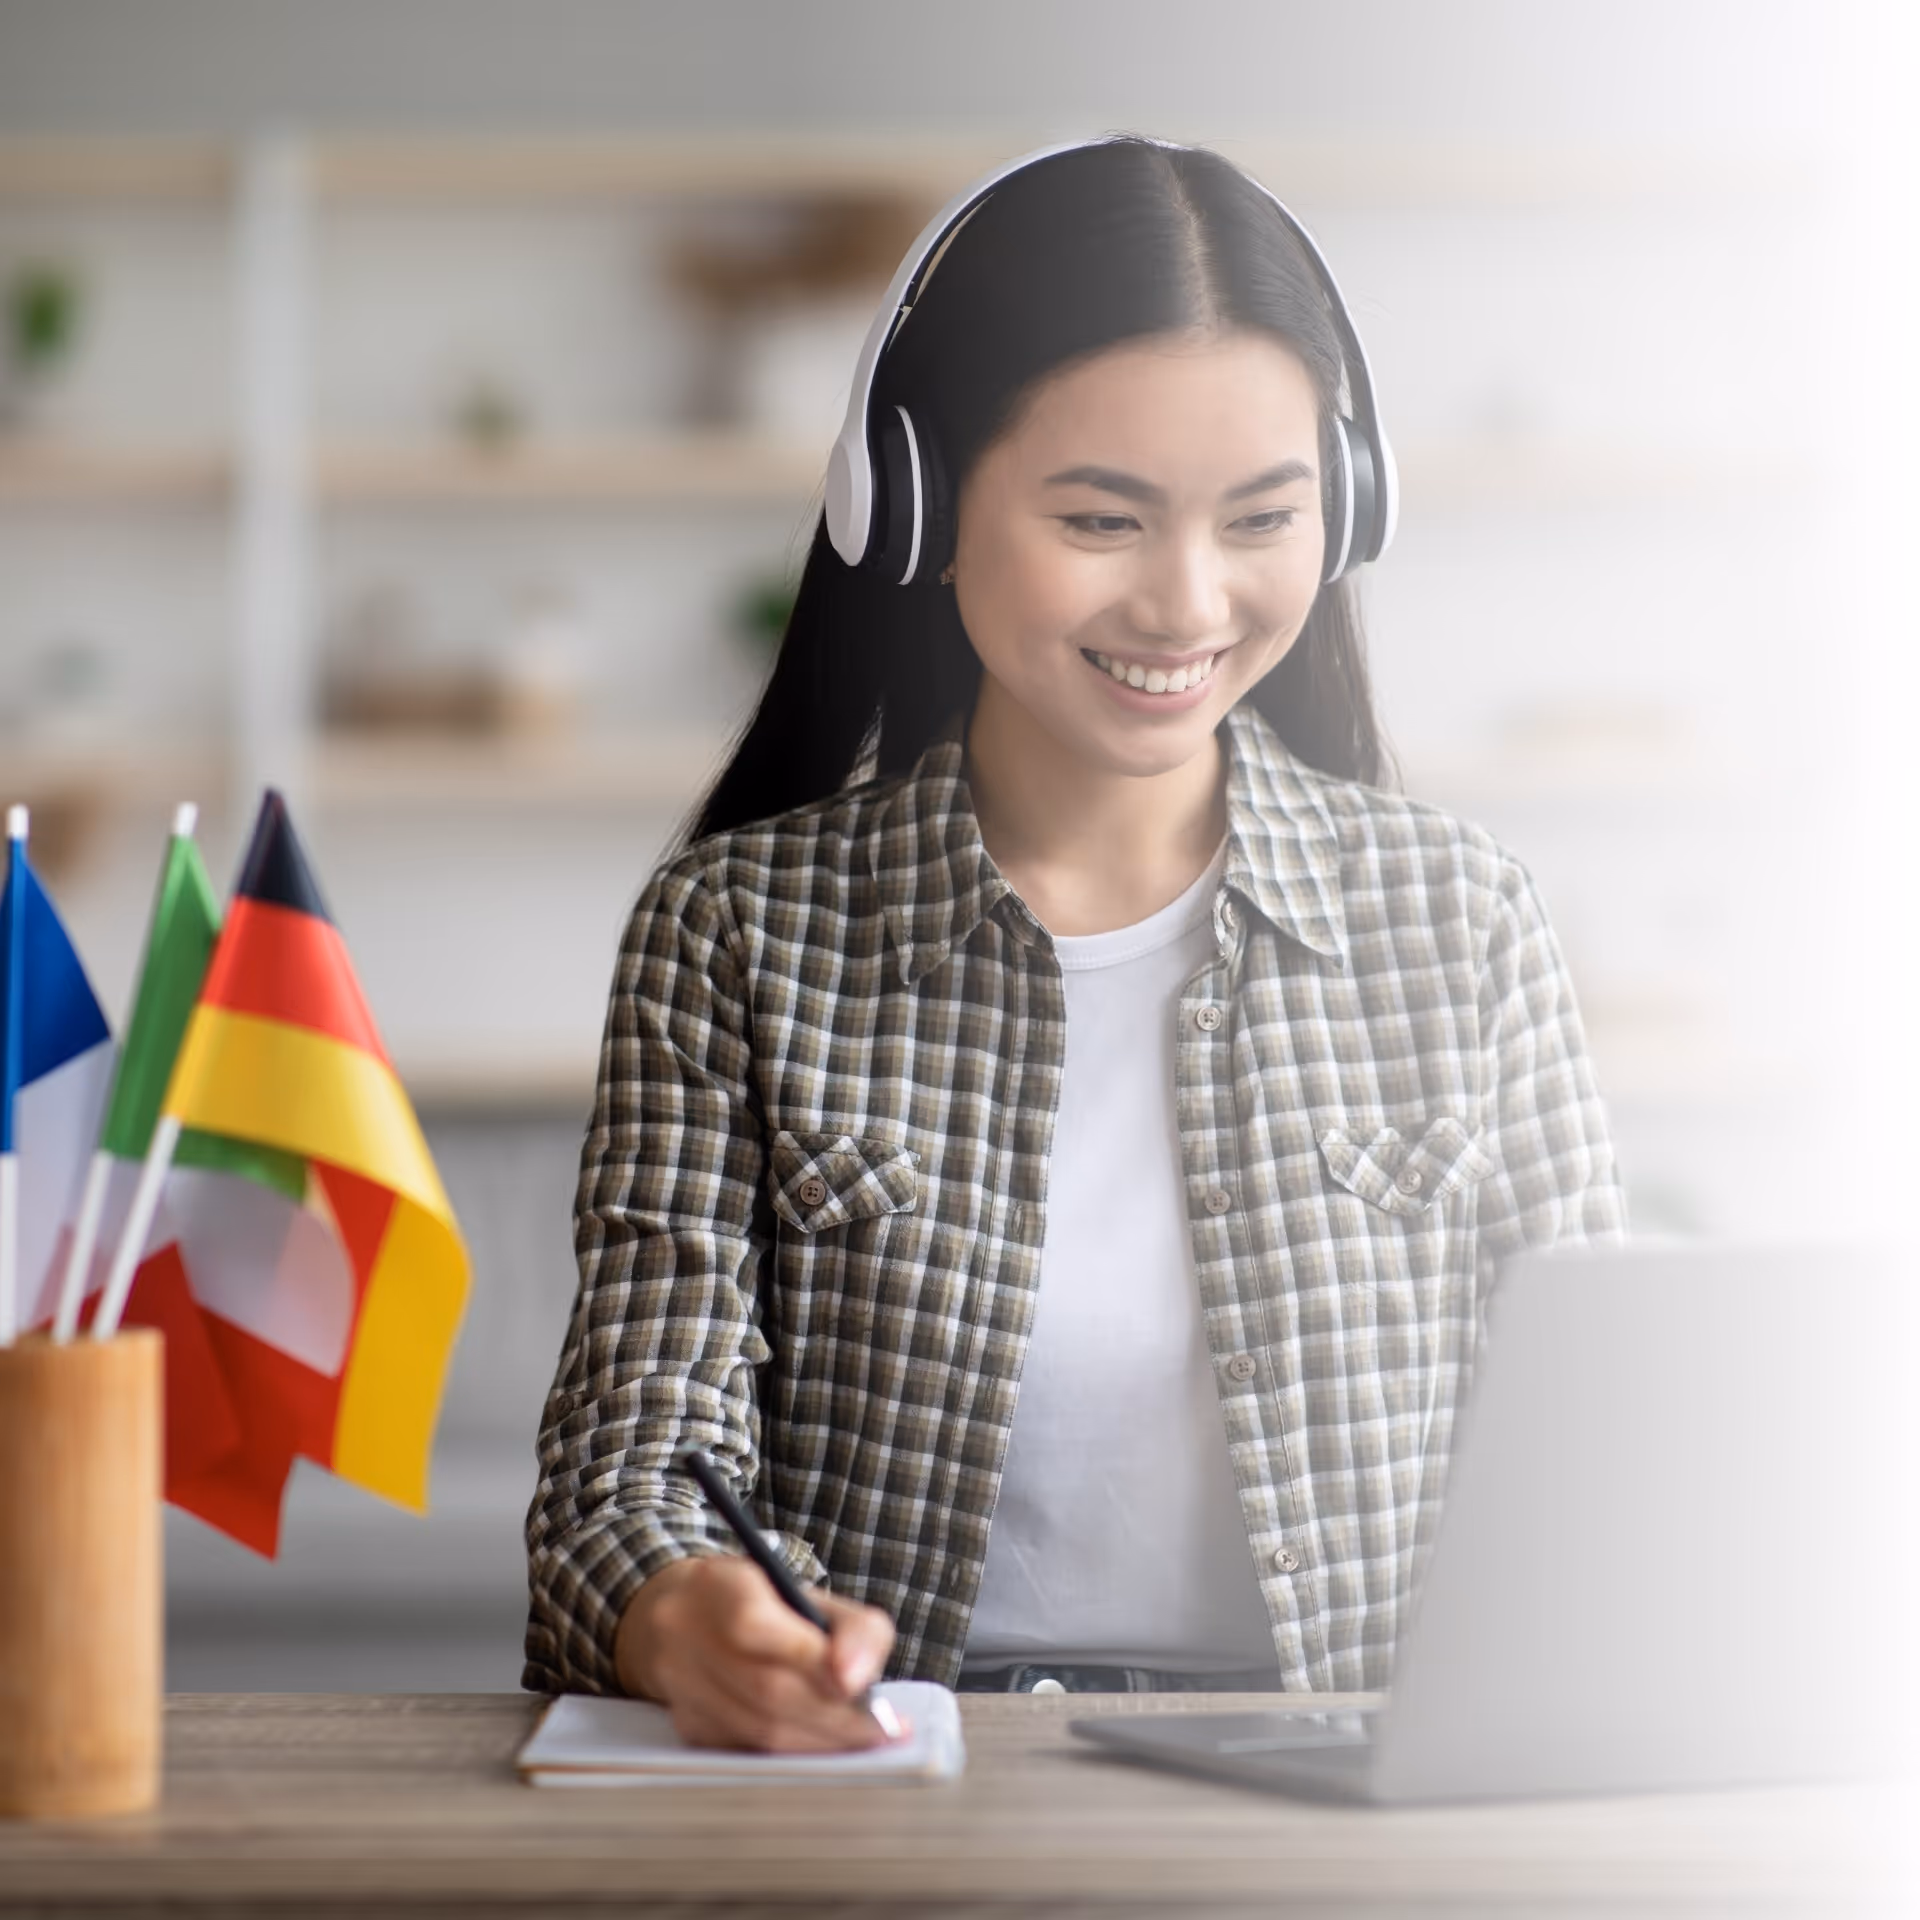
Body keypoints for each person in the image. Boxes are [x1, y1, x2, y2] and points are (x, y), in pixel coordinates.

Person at [522, 134, 1627, 1752]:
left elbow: (1600, 1458)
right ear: (914, 505)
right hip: (897, 1790)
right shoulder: (733, 936)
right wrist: (688, 1610)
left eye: (1263, 517)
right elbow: (630, 1463)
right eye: (1102, 519)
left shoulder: (1463, 926)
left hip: (1344, 1826)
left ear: (1350, 509)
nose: (1188, 603)